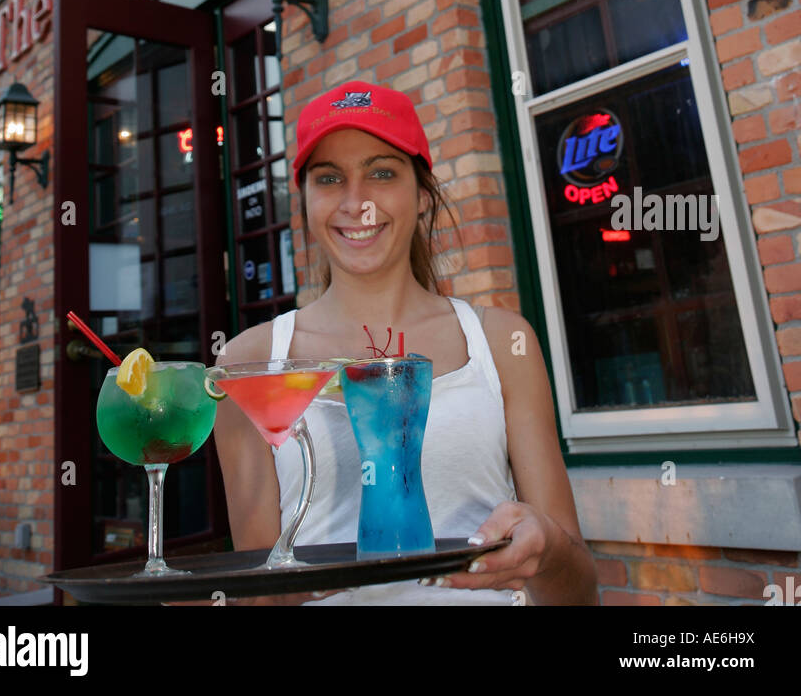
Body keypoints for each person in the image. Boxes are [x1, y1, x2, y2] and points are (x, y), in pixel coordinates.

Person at [213, 81, 598, 605]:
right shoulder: (249, 363)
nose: (357, 202)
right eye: (329, 178)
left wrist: (547, 548)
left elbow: (577, 592)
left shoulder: (502, 342)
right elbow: (258, 596)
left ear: (421, 194)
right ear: (304, 201)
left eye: (381, 172)